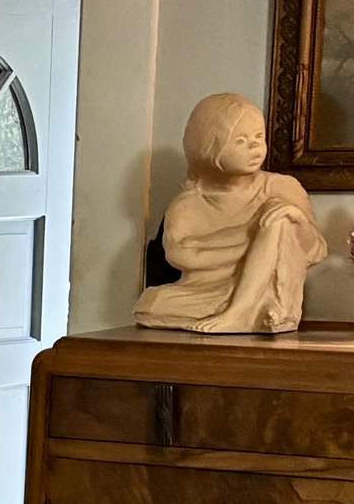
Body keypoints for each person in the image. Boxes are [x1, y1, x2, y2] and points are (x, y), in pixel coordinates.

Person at [134, 92, 327, 335]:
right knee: (150, 304)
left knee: (281, 220)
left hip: (271, 289)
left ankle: (240, 312)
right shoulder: (187, 205)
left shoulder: (280, 189)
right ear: (208, 146)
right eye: (240, 140)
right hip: (209, 290)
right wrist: (253, 240)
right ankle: (243, 308)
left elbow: (315, 250)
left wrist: (296, 219)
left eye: (259, 137)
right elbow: (182, 257)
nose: (255, 146)